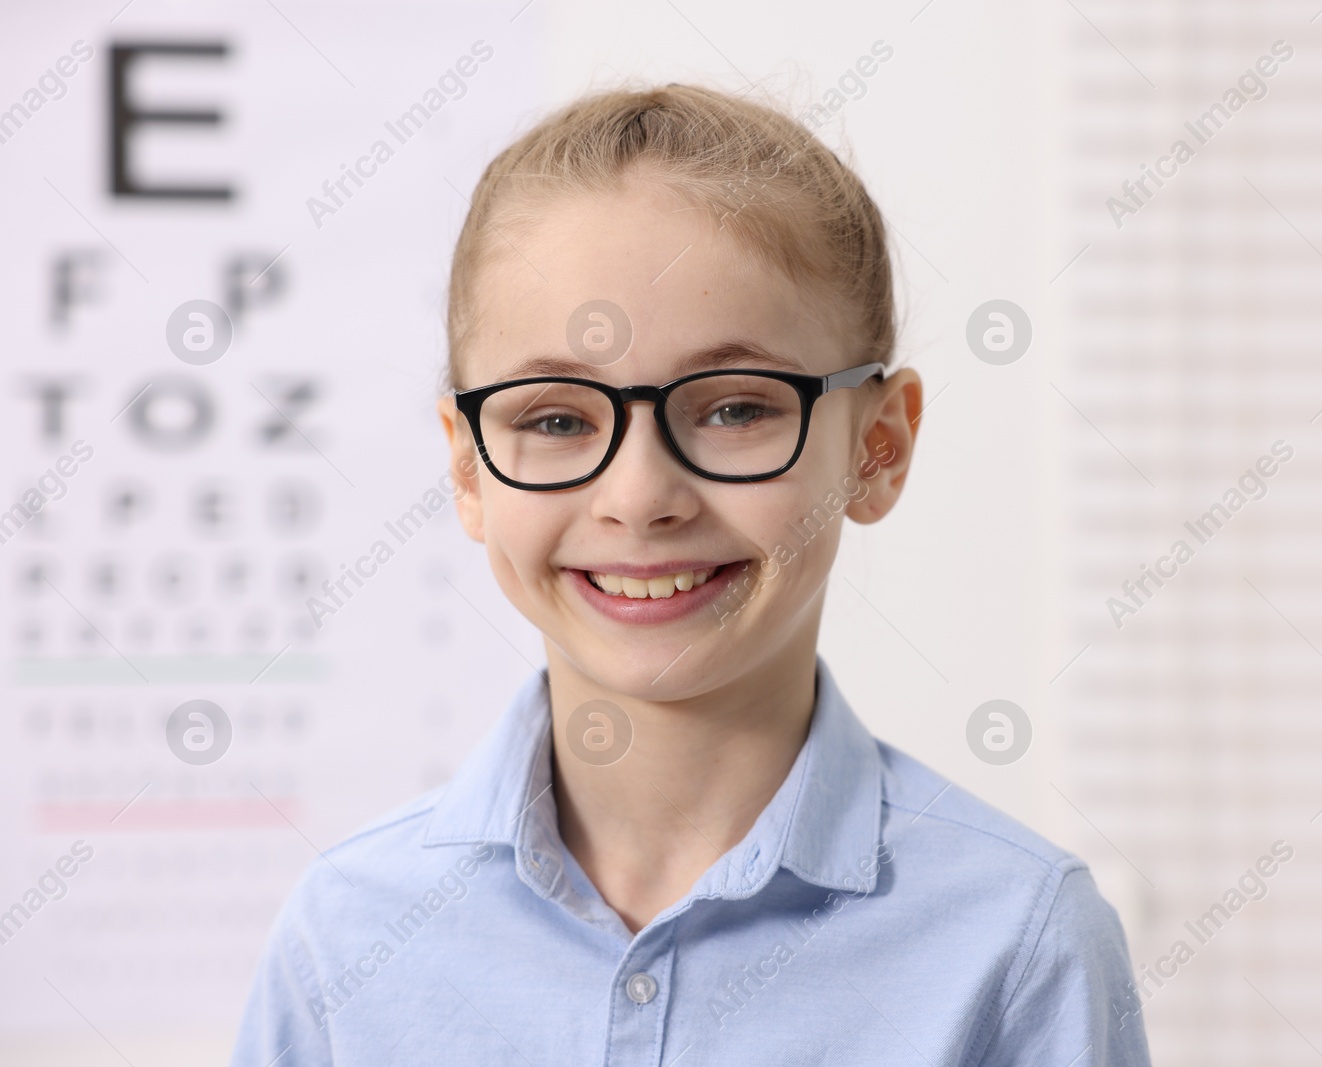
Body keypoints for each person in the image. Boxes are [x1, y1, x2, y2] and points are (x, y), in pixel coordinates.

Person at [230, 83, 1149, 1066]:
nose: (639, 496)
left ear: (877, 448)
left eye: (733, 409)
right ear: (467, 466)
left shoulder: (1017, 939)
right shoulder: (345, 937)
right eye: (555, 419)